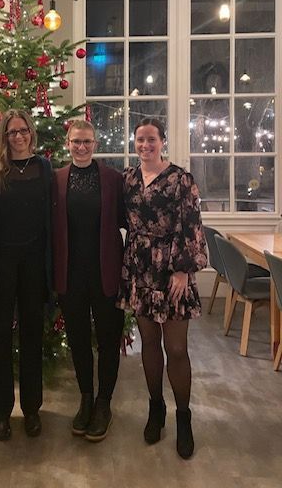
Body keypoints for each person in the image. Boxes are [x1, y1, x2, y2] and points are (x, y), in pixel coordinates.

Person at [119, 118, 207, 459]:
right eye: (140, 139)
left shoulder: (181, 179)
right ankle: (155, 408)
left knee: (177, 348)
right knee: (149, 343)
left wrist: (183, 270)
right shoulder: (128, 178)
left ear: (162, 142)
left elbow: (192, 224)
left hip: (172, 269)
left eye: (151, 139)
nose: (145, 145)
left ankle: (183, 417)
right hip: (140, 267)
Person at [0, 109, 52, 441]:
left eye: (23, 130)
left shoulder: (44, 168)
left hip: (35, 262)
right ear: (4, 136)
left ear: (31, 133)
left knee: (33, 334)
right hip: (1, 264)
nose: (18, 136)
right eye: (12, 132)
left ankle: (32, 408)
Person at [52, 120, 125, 442]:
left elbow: (128, 221)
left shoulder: (113, 179)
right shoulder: (56, 179)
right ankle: (85, 399)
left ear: (95, 144)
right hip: (70, 276)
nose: (81, 147)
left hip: (106, 273)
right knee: (79, 340)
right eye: (76, 142)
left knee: (108, 340)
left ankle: (104, 402)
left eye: (87, 142)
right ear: (67, 143)